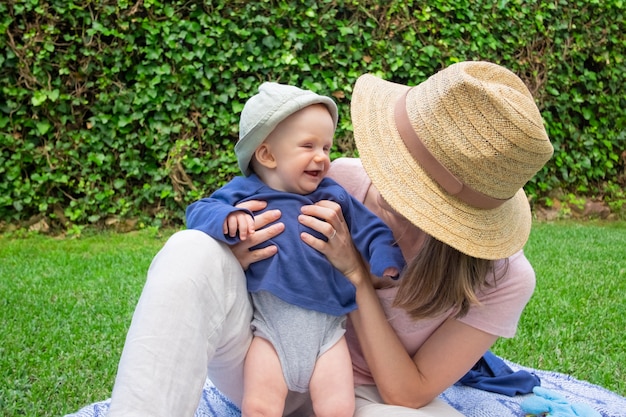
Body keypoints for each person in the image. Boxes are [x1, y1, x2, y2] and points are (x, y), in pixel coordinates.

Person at [106, 60, 553, 417]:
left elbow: (408, 392)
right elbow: (234, 231)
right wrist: (236, 253)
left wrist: (356, 274)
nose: (395, 192)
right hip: (262, 354)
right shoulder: (335, 179)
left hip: (363, 396)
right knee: (191, 248)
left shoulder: (504, 275)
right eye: (403, 172)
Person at [184, 82, 404, 417]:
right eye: (309, 146)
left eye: (327, 148)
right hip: (271, 329)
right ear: (267, 154)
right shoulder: (243, 193)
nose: (323, 158)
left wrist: (385, 259)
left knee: (339, 408)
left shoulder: (332, 196)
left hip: (328, 334)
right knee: (259, 406)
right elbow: (198, 210)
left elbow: (372, 228)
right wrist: (229, 217)